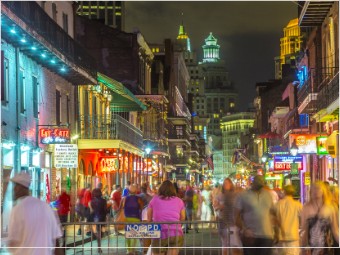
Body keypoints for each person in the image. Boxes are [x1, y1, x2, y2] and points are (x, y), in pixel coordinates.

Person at [7, 172, 62, 255]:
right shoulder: (46, 207)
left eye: (15, 186)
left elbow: (13, 242)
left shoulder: (18, 209)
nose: (13, 190)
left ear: (20, 187)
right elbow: (56, 240)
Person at [235, 175, 275, 255]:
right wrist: (244, 229)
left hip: (267, 236)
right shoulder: (243, 196)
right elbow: (236, 216)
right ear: (253, 183)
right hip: (251, 236)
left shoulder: (268, 195)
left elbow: (272, 214)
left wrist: (275, 230)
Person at [147, 180, 186, 255]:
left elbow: (149, 218)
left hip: (159, 232)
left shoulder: (154, 200)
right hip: (176, 232)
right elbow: (183, 217)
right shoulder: (179, 201)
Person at [301, 181, 339, 255]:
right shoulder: (306, 208)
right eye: (313, 189)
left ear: (323, 191)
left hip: (327, 247)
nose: (315, 191)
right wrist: (303, 248)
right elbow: (304, 230)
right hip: (311, 248)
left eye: (318, 188)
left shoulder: (331, 208)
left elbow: (335, 230)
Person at [215, 178, 242, 255]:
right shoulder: (220, 195)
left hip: (232, 223)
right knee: (225, 244)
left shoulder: (235, 195)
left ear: (231, 184)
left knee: (235, 245)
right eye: (225, 183)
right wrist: (220, 206)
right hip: (223, 222)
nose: (226, 185)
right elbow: (215, 207)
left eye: (227, 183)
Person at [274, 185, 302, 255]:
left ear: (284, 192)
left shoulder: (277, 204)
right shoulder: (298, 205)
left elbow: (273, 221)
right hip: (293, 237)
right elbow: (302, 221)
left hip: (281, 237)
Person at [120, 184, 144, 255]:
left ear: (128, 191)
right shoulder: (138, 198)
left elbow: (121, 207)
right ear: (136, 191)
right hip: (136, 217)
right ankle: (132, 250)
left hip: (127, 218)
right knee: (134, 234)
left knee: (128, 234)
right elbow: (141, 207)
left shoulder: (124, 198)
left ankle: (128, 250)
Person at [89, 188, 107, 254]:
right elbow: (105, 210)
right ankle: (99, 246)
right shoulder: (104, 200)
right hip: (102, 217)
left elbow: (92, 211)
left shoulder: (92, 201)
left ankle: (99, 246)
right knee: (100, 231)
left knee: (98, 231)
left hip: (95, 218)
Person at [139, 183, 154, 253]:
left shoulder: (140, 196)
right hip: (152, 217)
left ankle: (145, 250)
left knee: (145, 235)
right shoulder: (152, 196)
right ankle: (150, 250)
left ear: (142, 189)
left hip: (144, 216)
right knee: (151, 235)